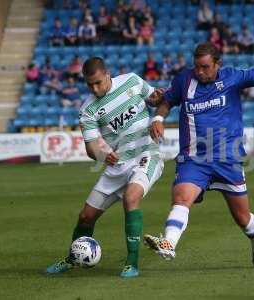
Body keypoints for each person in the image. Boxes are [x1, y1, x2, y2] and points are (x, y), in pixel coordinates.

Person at [143, 42, 254, 268]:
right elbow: (167, 100)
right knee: (181, 198)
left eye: (205, 67)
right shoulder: (184, 80)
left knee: (243, 219)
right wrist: (158, 119)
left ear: (218, 64)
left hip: (227, 159)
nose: (200, 72)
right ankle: (169, 243)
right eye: (197, 67)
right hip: (194, 158)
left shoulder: (233, 77)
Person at [45, 57, 165, 278]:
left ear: (107, 74)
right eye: (90, 85)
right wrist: (102, 155)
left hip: (147, 154)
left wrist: (158, 97)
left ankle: (132, 263)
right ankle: (73, 258)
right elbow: (91, 149)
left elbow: (156, 99)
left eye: (98, 82)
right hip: (118, 163)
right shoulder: (88, 110)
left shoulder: (132, 81)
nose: (95, 88)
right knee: (85, 217)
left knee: (131, 198)